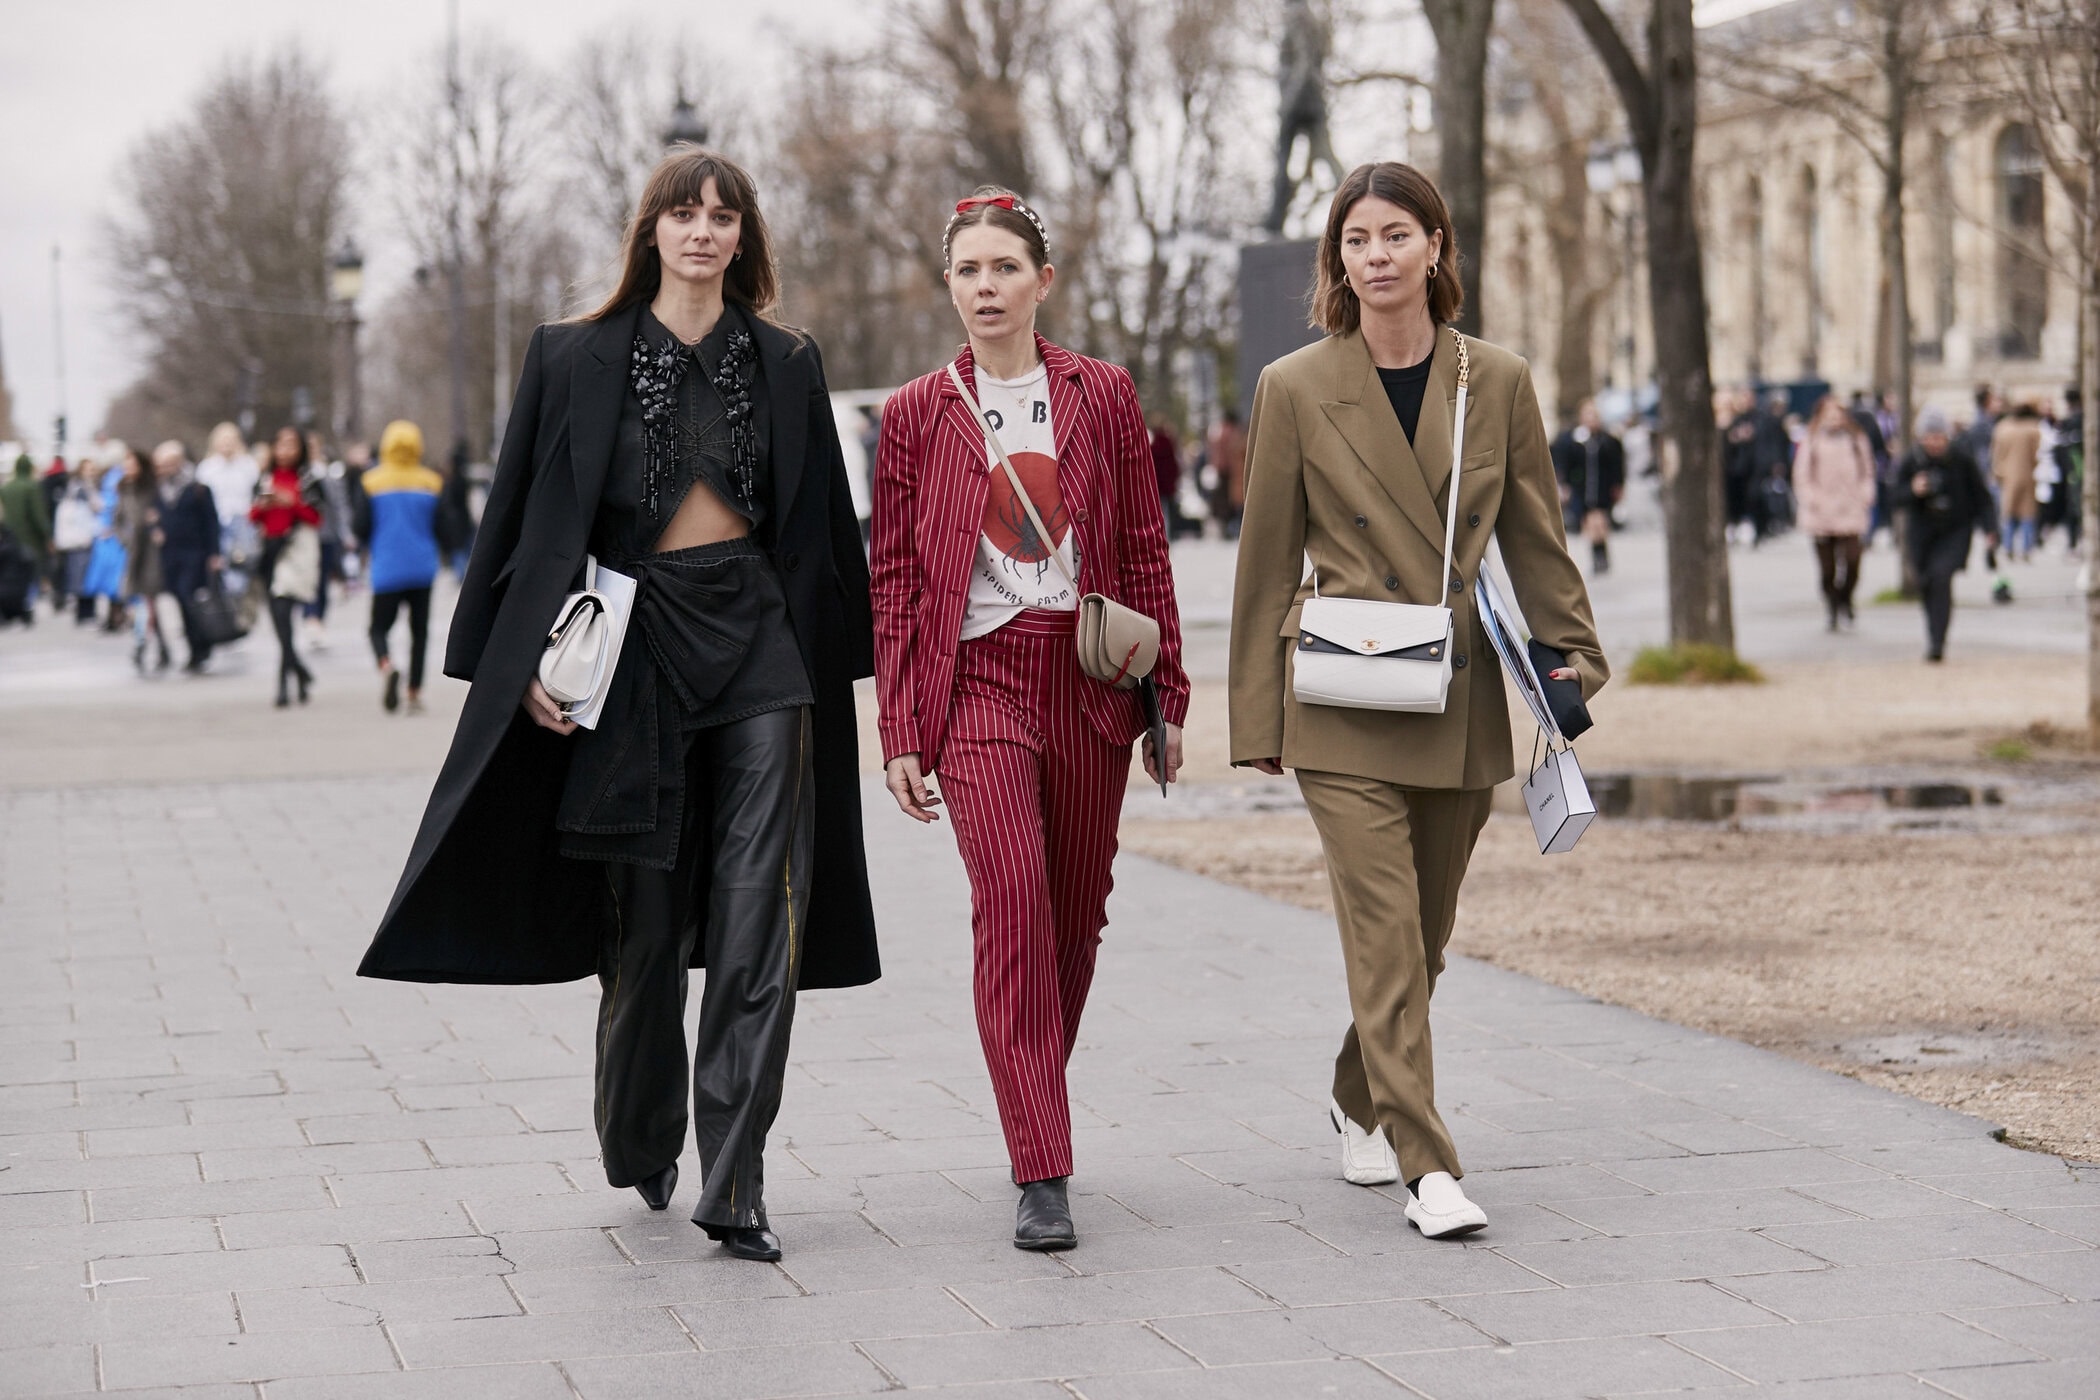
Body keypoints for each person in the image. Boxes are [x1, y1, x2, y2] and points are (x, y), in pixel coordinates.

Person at [359, 147, 878, 1264]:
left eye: (721, 215)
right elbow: (527, 522)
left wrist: (873, 679)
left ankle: (735, 1178)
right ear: (650, 230)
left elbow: (829, 528)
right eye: (682, 213)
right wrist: (523, 663)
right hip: (630, 649)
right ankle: (644, 1130)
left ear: (744, 237)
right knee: (641, 931)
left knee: (759, 915)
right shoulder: (572, 355)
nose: (701, 230)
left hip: (761, 648)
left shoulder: (786, 359)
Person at [1229, 161, 1606, 1240]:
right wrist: (1257, 715)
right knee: (1387, 929)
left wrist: (1572, 654)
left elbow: (1534, 531)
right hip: (1344, 692)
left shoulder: (1499, 379)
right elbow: (1263, 562)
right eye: (1357, 240)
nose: (1377, 255)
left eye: (1397, 234)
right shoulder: (1295, 386)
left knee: (1426, 937)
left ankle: (1358, 1091)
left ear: (1437, 246)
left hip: (1458, 690)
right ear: (1336, 261)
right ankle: (1426, 1160)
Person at [870, 186, 1191, 1252]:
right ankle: (1041, 1165)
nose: (987, 285)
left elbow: (1144, 547)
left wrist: (1166, 698)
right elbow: (897, 578)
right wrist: (903, 727)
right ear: (950, 284)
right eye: (969, 269)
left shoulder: (1101, 395)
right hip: (979, 687)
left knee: (1073, 910)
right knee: (1010, 903)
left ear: (1043, 281)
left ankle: (1029, 1092)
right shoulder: (920, 412)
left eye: (1006, 266)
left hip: (1089, 680)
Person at [356, 420, 443, 714]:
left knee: (378, 628)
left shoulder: (371, 482)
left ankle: (387, 664)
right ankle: (414, 691)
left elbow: (361, 527)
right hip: (422, 567)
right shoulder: (431, 482)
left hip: (387, 568)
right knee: (419, 632)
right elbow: (445, 527)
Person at [1901, 406, 1997, 662]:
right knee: (1927, 583)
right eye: (1929, 437)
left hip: (1955, 530)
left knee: (1941, 577)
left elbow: (1982, 498)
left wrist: (1990, 530)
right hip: (1922, 533)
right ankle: (1933, 633)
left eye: (1939, 437)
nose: (1934, 443)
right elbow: (1894, 497)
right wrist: (1913, 490)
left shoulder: (1962, 459)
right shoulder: (1912, 461)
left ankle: (1937, 642)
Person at [1792, 396, 1877, 632]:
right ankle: (1832, 606)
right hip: (1821, 510)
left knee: (1852, 560)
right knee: (1827, 568)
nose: (1834, 420)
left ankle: (1846, 598)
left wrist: (1865, 494)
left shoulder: (1856, 439)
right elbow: (1802, 473)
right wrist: (1810, 499)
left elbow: (1867, 470)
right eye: (1829, 415)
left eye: (1838, 414)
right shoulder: (1812, 439)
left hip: (1850, 507)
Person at [250, 426, 320, 706]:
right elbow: (252, 515)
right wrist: (265, 505)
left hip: (295, 553)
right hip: (270, 551)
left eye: (292, 444)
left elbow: (317, 518)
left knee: (284, 615)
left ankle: (283, 685)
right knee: (279, 622)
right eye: (280, 444)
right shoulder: (264, 478)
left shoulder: (308, 480)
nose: (285, 450)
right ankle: (300, 672)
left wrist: (291, 502)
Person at [149, 440, 223, 674]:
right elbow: (151, 519)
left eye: (169, 463)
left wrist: (214, 553)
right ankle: (195, 647)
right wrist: (154, 528)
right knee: (180, 600)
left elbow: (212, 522)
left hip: (195, 552)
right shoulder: (158, 490)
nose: (165, 469)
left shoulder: (197, 488)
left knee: (190, 596)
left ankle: (202, 644)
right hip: (169, 554)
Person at [111, 445, 170, 673]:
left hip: (151, 553)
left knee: (148, 602)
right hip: (134, 552)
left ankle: (140, 646)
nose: (128, 468)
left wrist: (156, 525)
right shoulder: (124, 489)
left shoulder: (153, 489)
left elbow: (164, 515)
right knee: (146, 602)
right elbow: (117, 520)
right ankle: (163, 647)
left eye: (132, 463)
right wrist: (125, 538)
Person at [1549, 398, 1624, 574]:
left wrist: (1618, 485)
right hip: (1583, 489)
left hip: (1603, 489)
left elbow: (1617, 465)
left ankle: (1601, 555)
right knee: (1590, 523)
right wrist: (1565, 484)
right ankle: (1598, 555)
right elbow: (1565, 463)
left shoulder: (1608, 441)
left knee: (1599, 521)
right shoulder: (1574, 441)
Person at [1990, 401, 2042, 562]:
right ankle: (2026, 548)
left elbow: (1995, 453)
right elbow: (2037, 454)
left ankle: (2007, 547)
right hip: (2027, 474)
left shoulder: (2002, 429)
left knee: (2008, 513)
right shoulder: (2033, 430)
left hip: (2006, 475)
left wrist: (1997, 472)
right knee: (2027, 514)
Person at [0, 454, 52, 617]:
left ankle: (12, 606)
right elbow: (38, 515)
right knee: (31, 571)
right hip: (30, 538)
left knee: (10, 572)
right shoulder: (32, 486)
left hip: (8, 537)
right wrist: (47, 534)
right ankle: (26, 605)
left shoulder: (7, 487)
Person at [1208, 408, 1247, 539]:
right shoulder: (1232, 432)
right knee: (1230, 501)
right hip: (1231, 470)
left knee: (1224, 501)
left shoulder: (1219, 431)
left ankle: (1226, 527)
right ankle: (1232, 528)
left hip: (1222, 470)